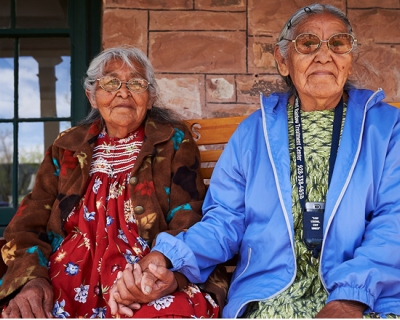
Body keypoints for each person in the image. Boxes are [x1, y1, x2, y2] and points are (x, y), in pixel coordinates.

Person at [109, 4, 400, 318]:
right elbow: (224, 221)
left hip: (369, 297)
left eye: (338, 43)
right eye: (307, 43)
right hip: (268, 296)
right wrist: (166, 258)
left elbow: (393, 223)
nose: (324, 54)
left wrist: (348, 301)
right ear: (282, 60)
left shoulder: (387, 128)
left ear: (349, 57)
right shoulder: (254, 131)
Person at [0, 46, 221, 318]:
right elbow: (26, 224)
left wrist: (158, 271)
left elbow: (188, 216)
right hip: (66, 276)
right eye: (110, 82)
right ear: (92, 96)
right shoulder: (67, 146)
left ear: (150, 97)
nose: (123, 92)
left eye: (136, 83)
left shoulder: (172, 140)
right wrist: (31, 279)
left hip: (142, 273)